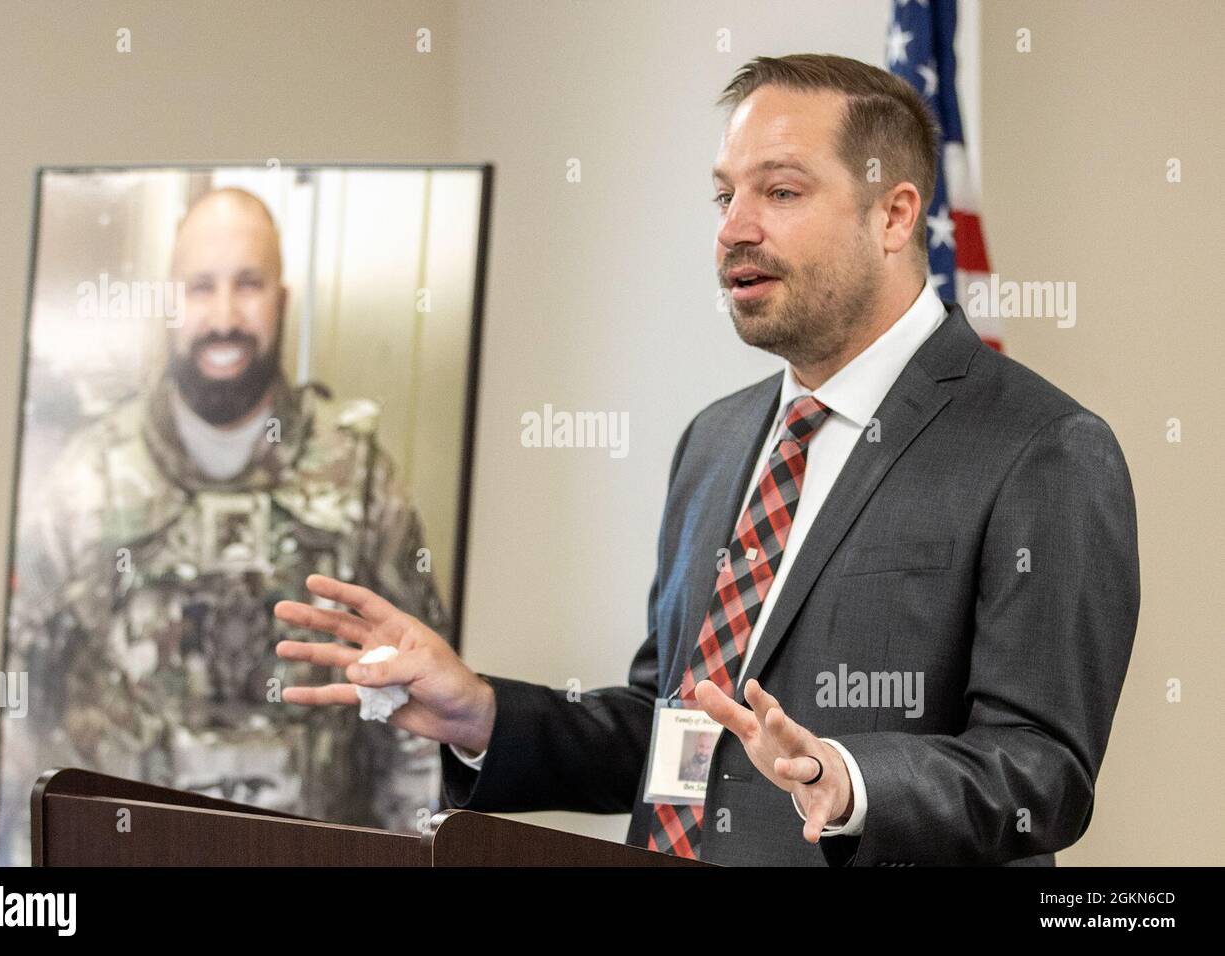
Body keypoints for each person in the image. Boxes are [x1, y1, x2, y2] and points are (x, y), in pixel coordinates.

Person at [275, 54, 1139, 866]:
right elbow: (674, 740)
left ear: (895, 215)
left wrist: (848, 781)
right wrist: (484, 714)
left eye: (782, 191)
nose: (734, 228)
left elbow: (1042, 773)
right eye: (724, 196)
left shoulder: (1042, 448)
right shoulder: (717, 440)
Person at [0, 187, 447, 865]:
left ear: (283, 302)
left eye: (249, 284)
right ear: (171, 304)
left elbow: (415, 725)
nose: (225, 315)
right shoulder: (85, 483)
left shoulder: (360, 481)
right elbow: (22, 714)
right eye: (201, 287)